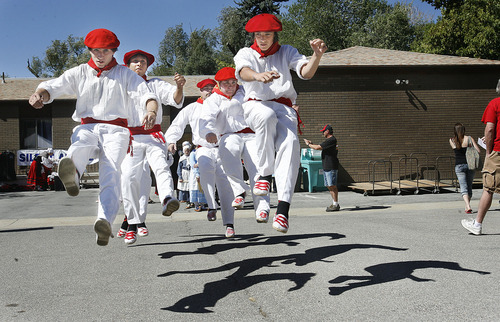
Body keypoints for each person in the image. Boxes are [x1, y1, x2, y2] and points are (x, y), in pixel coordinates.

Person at [28, 29, 160, 246]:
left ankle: (104, 221)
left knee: (111, 174)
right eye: (96, 51)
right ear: (89, 51)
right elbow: (53, 85)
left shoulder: (124, 73)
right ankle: (73, 173)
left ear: (114, 51)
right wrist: (39, 95)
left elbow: (147, 94)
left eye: (105, 51)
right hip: (87, 125)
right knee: (80, 141)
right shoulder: (79, 72)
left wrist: (151, 111)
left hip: (116, 130)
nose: (100, 55)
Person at [234, 13, 327, 233]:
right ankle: (265, 175)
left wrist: (316, 55)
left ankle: (283, 210)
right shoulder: (245, 53)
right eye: (258, 35)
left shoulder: (287, 51)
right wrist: (258, 76)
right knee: (266, 117)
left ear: (275, 35)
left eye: (267, 35)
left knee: (291, 146)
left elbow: (305, 72)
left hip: (284, 106)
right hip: (255, 105)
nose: (262, 39)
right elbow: (243, 72)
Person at [117, 49, 185, 245]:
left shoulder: (155, 84)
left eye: (143, 62)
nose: (139, 64)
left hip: (154, 136)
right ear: (128, 66)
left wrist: (179, 87)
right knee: (130, 178)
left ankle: (166, 199)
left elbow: (174, 99)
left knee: (161, 168)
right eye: (135, 62)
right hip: (132, 139)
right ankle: (132, 221)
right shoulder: (123, 87)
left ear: (147, 66)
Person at [200, 67, 271, 238]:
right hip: (229, 135)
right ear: (219, 84)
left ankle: (262, 208)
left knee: (257, 166)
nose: (230, 86)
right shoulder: (214, 99)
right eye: (226, 83)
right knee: (228, 151)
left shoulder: (246, 91)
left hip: (251, 135)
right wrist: (209, 132)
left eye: (233, 82)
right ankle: (239, 191)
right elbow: (206, 118)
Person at [165, 78, 219, 221]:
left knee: (226, 180)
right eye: (206, 88)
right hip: (203, 148)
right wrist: (171, 140)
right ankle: (211, 206)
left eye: (212, 87)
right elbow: (178, 124)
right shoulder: (193, 108)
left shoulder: (223, 105)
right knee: (206, 175)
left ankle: (230, 211)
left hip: (222, 148)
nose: (210, 90)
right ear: (200, 91)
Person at [462, 98, 500, 235]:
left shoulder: (495, 104)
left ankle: (477, 224)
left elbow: (490, 129)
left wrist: (489, 152)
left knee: (489, 188)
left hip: (498, 152)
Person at [303, 124, 340, 212]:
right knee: (328, 185)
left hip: (331, 166)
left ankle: (336, 204)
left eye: (324, 131)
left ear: (327, 131)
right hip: (327, 165)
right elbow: (318, 146)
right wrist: (312, 144)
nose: (323, 133)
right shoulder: (329, 141)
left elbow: (318, 147)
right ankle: (334, 203)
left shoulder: (332, 140)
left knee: (332, 185)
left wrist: (308, 144)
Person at [449, 123, 480, 214]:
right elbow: (478, 151)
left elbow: (456, 150)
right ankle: (467, 205)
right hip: (470, 165)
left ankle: (467, 205)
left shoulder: (452, 140)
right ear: (464, 130)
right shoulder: (469, 138)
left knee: (463, 186)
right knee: (469, 185)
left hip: (459, 165)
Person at [188, 147, 208, 212]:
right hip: (195, 173)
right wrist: (197, 174)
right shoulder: (193, 153)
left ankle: (202, 204)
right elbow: (193, 165)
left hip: (202, 172)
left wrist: (199, 164)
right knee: (196, 188)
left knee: (202, 189)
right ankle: (196, 205)